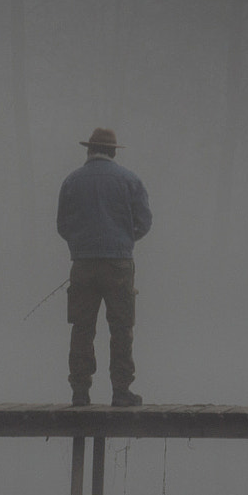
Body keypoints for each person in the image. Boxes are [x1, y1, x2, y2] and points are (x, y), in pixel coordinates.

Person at [55, 128, 152, 406]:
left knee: (82, 328)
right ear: (112, 152)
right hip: (119, 265)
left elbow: (62, 224)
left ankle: (80, 391)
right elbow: (144, 222)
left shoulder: (72, 181)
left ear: (89, 150)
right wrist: (123, 240)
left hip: (83, 265)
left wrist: (80, 246)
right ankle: (121, 391)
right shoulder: (130, 180)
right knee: (121, 328)